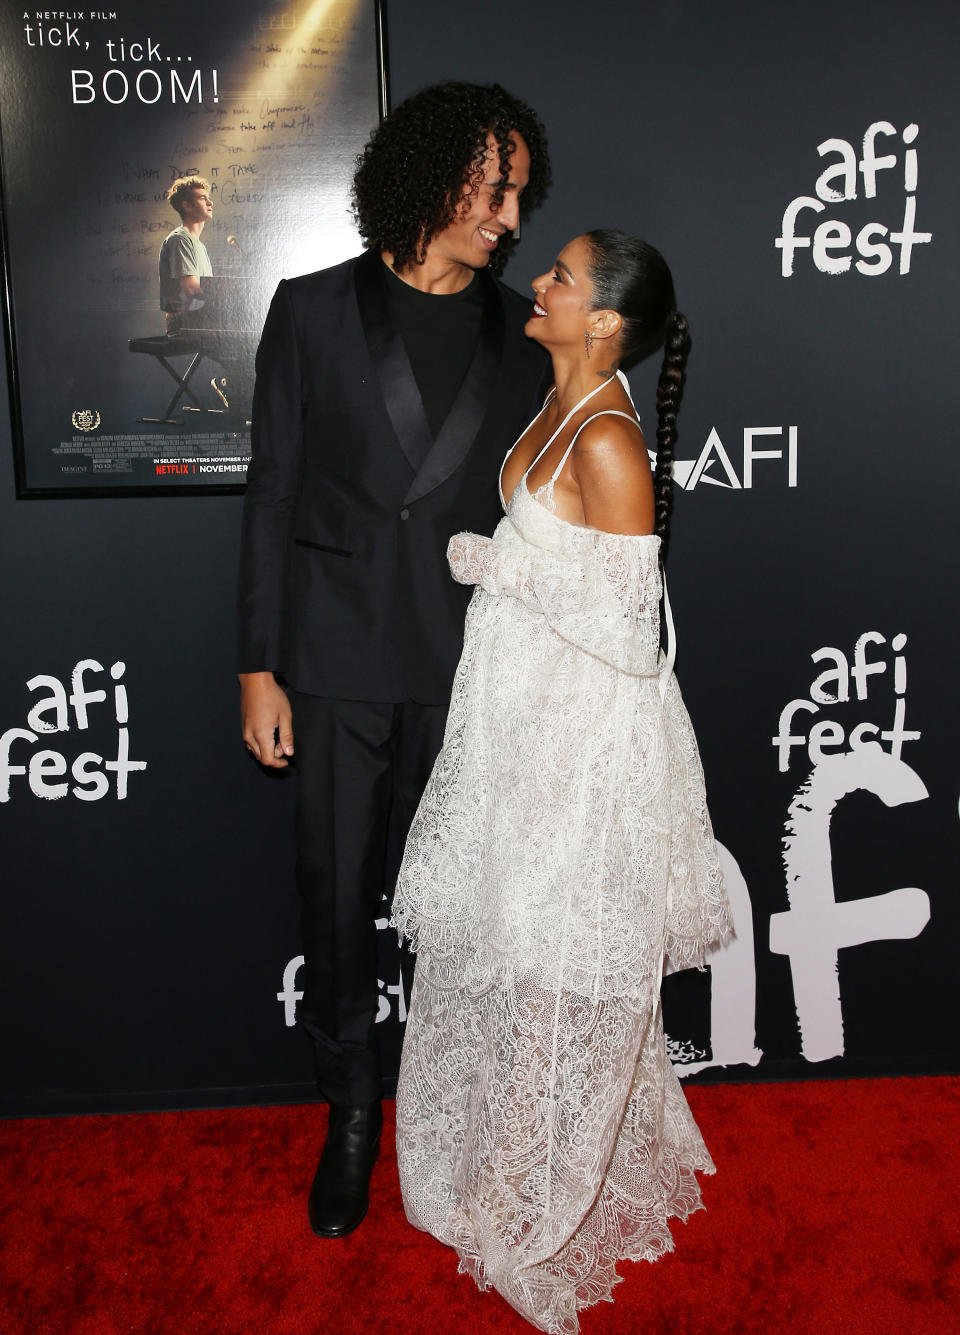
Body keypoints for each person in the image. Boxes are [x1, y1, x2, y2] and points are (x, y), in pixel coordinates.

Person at [392, 230, 733, 1333]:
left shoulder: (612, 442)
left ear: (606, 324)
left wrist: (504, 566)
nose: (539, 280)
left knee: (549, 958)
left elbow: (632, 632)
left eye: (564, 279)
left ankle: (526, 1197)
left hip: (585, 744)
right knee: (510, 938)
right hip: (521, 723)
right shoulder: (555, 396)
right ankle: (509, 1147)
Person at [236, 83, 551, 1239]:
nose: (511, 218)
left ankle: (446, 1107)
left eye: (519, 195)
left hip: (470, 673)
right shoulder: (310, 309)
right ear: (432, 175)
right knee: (336, 902)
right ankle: (352, 1117)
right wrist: (257, 666)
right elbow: (271, 493)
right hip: (330, 663)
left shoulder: (523, 337)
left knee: (462, 916)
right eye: (495, 189)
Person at [159, 176, 214, 332]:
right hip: (184, 323)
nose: (210, 203)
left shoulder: (200, 246)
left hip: (201, 318)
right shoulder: (180, 240)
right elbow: (191, 290)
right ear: (187, 206)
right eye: (203, 199)